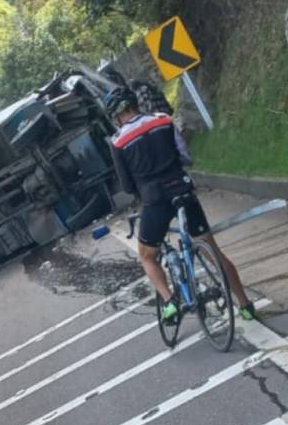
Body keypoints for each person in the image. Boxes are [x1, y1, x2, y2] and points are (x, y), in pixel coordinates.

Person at [105, 87, 256, 322]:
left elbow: (126, 185)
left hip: (155, 200)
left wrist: (141, 190)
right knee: (213, 252)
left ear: (116, 115)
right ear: (135, 104)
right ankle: (245, 305)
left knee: (147, 256)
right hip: (182, 189)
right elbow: (185, 155)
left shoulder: (118, 142)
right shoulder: (163, 120)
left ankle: (169, 301)